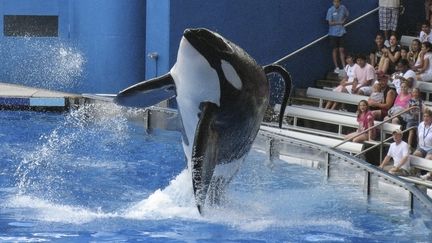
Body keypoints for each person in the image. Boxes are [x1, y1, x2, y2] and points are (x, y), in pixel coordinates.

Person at [326, 0, 349, 74]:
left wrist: (344, 21)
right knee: (335, 50)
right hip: (333, 33)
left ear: (340, 2)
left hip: (342, 32)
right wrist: (339, 22)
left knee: (341, 49)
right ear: (333, 2)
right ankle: (336, 67)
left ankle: (344, 66)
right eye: (335, 2)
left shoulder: (343, 8)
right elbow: (330, 23)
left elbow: (347, 15)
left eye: (338, 2)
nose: (336, 3)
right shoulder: (330, 10)